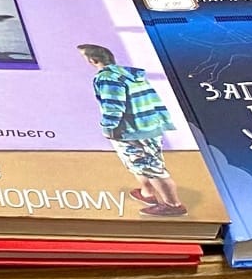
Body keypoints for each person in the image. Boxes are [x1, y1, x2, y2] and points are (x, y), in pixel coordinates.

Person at [79, 44, 186, 217]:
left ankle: (173, 205)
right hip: (149, 124)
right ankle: (147, 193)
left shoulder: (107, 77)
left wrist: (108, 128)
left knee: (152, 167)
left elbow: (113, 106)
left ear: (93, 60)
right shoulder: (129, 74)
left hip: (131, 130)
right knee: (138, 162)